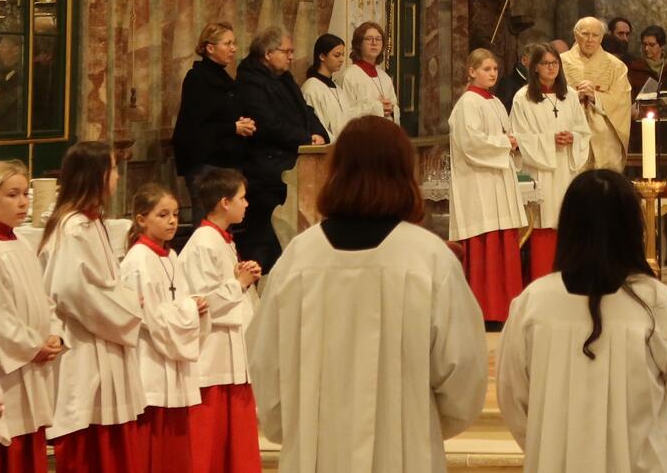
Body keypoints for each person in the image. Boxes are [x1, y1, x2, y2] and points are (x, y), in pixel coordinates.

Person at [247, 116, 489, 473]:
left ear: (337, 171)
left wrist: (298, 428)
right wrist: (420, 426)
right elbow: (462, 373)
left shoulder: (299, 258)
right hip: (405, 451)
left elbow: (267, 367)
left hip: (316, 452)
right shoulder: (428, 257)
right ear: (405, 173)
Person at [496, 170, 667, 472]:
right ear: (633, 229)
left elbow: (513, 402)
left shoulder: (532, 306)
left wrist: (554, 446)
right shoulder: (661, 306)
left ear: (568, 228)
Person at [39, 142, 145, 472]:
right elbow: (73, 291)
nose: (116, 176)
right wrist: (129, 306)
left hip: (103, 340)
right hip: (85, 347)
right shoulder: (74, 228)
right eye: (113, 169)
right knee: (90, 448)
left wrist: (122, 300)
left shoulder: (92, 222)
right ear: (97, 175)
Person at [121, 184, 209, 473]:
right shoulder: (138, 260)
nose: (172, 221)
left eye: (175, 213)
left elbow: (179, 299)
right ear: (141, 219)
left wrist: (194, 305)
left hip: (172, 357)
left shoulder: (170, 256)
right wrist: (188, 310)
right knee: (153, 445)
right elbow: (148, 316)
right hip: (151, 358)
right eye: (162, 214)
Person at [180, 169, 262, 473]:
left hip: (230, 359)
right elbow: (202, 302)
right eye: (242, 198)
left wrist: (243, 274)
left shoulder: (221, 240)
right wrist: (237, 284)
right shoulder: (203, 242)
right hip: (212, 358)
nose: (247, 204)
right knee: (210, 446)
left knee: (235, 445)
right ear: (225, 202)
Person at [235, 26, 327, 272]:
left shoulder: (284, 79)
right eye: (286, 51)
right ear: (267, 53)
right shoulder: (250, 82)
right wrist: (306, 138)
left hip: (293, 166)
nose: (291, 56)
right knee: (266, 240)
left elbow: (306, 112)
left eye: (292, 51)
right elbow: (267, 123)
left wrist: (319, 135)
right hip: (266, 171)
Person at [448, 49, 528, 327]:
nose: (492, 73)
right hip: (478, 185)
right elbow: (472, 143)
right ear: (471, 71)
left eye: (495, 69)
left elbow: (502, 137)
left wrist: (511, 142)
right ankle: (486, 310)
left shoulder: (494, 101)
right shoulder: (468, 104)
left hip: (498, 181)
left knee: (503, 240)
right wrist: (506, 143)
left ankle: (505, 309)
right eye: (486, 69)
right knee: (485, 245)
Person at [0, 160, 60, 473]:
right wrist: (33, 346)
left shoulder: (21, 242)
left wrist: (55, 334)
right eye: (12, 195)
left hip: (33, 361)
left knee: (31, 440)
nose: (23, 202)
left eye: (25, 194)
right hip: (6, 368)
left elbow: (43, 297)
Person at [510, 43, 591, 280]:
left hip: (566, 168)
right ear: (534, 67)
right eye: (546, 63)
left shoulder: (571, 96)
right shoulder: (522, 98)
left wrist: (572, 137)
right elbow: (518, 137)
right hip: (540, 171)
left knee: (566, 223)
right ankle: (542, 280)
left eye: (555, 63)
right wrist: (549, 141)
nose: (551, 67)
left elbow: (583, 132)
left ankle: (569, 280)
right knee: (543, 224)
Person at [172, 22, 255, 224]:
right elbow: (194, 126)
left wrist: (245, 121)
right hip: (207, 163)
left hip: (228, 161)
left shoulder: (225, 78)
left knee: (226, 224)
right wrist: (233, 127)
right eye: (227, 44)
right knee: (208, 221)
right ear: (210, 48)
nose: (233, 49)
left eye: (233, 43)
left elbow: (229, 111)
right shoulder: (198, 78)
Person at [561, 17, 633, 171]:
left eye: (595, 35)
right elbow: (549, 97)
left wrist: (596, 96)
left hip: (604, 138)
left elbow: (622, 100)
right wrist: (575, 97)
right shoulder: (559, 63)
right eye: (585, 34)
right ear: (575, 35)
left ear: (601, 37)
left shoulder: (616, 66)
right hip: (570, 133)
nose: (590, 40)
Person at [301, 34, 377, 142]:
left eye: (342, 55)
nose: (341, 59)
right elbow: (318, 127)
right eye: (337, 55)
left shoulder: (337, 88)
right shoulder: (311, 88)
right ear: (322, 56)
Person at [338, 21, 400, 124]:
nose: (374, 43)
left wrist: (391, 109)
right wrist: (377, 107)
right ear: (359, 44)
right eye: (368, 39)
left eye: (378, 39)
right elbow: (344, 114)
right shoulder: (349, 76)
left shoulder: (384, 77)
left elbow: (394, 107)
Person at [627, 25, 667, 96]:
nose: (646, 48)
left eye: (651, 45)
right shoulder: (634, 68)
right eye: (644, 44)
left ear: (661, 45)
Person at [495, 43, 536, 111]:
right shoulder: (507, 83)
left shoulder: (538, 83)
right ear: (524, 60)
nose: (540, 66)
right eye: (536, 61)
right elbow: (503, 112)